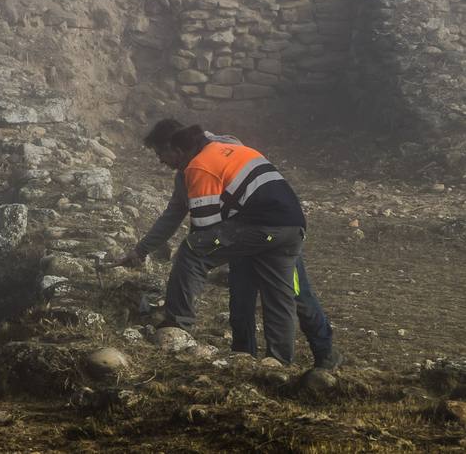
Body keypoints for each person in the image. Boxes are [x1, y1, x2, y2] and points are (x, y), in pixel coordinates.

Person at [120, 119, 338, 367]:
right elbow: (176, 213)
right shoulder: (212, 154)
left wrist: (198, 267)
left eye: (161, 154)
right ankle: (271, 364)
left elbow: (204, 232)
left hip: (260, 226)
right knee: (271, 294)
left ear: (177, 148)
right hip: (287, 223)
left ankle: (178, 325)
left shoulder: (200, 165)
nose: (160, 161)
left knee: (296, 292)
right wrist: (142, 249)